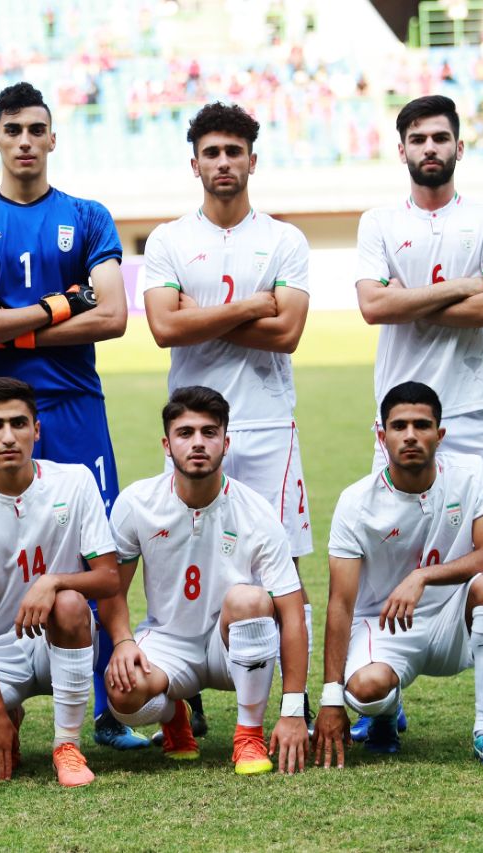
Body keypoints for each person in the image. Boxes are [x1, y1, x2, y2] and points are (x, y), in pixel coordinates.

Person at [0, 81, 140, 751]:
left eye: (36, 129)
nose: (24, 141)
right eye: (13, 130)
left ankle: (110, 703)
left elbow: (112, 315)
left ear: (53, 137)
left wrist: (10, 327)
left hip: (75, 405)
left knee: (100, 551)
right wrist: (59, 306)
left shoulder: (88, 216)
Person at [354, 94, 483, 741]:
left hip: (474, 407)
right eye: (418, 138)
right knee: (387, 551)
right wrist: (463, 285)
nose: (429, 148)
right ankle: (387, 697)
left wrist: (410, 298)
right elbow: (374, 307)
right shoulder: (380, 222)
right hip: (400, 415)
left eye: (440, 138)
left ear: (459, 147)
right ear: (401, 149)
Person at [140, 101, 315, 742]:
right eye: (211, 152)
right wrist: (249, 306)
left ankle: (290, 704)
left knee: (283, 569)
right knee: (182, 558)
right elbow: (164, 327)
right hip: (193, 427)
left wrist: (202, 313)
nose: (223, 162)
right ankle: (182, 687)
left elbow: (288, 332)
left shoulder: (284, 239)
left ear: (252, 161)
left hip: (267, 426)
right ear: (194, 164)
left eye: (233, 152)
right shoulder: (168, 240)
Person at [100, 386, 310, 775]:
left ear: (225, 444)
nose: (198, 443)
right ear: (167, 445)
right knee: (122, 692)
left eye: (209, 432)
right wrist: (124, 641)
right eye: (185, 433)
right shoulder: (137, 503)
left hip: (232, 645)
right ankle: (173, 716)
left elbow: (293, 613)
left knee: (250, 599)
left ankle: (249, 735)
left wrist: (294, 709)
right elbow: (112, 589)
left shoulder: (256, 511)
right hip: (167, 640)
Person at [0, 378, 120, 787]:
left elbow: (108, 578)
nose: (8, 436)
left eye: (19, 423)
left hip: (63, 638)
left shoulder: (75, 481)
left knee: (68, 603)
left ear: (37, 430)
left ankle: (67, 746)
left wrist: (53, 582)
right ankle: (9, 712)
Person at [313, 382, 483, 770]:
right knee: (367, 689)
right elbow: (340, 604)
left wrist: (422, 576)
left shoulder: (470, 475)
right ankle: (386, 713)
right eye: (399, 426)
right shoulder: (356, 502)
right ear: (382, 437)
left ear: (440, 435)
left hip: (451, 623)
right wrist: (331, 699)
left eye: (422, 425)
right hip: (384, 625)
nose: (410, 435)